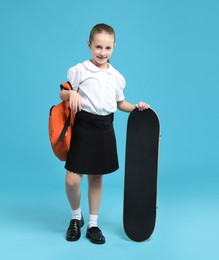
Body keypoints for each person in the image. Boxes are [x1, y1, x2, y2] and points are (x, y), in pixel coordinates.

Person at [59, 23, 150, 244]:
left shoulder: (116, 77)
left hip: (104, 128)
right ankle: (75, 217)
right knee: (72, 180)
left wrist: (137, 107)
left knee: (96, 178)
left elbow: (120, 103)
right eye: (98, 46)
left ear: (114, 48)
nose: (102, 52)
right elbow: (63, 91)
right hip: (83, 126)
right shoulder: (79, 70)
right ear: (89, 45)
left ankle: (93, 224)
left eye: (107, 48)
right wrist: (70, 94)